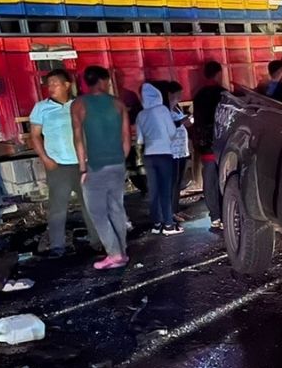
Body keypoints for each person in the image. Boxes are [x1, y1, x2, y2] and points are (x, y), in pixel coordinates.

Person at [28, 69, 101, 257]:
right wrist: (45, 158)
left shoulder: (80, 104)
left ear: (67, 85)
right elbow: (35, 136)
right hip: (57, 165)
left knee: (90, 205)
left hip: (82, 164)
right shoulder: (41, 108)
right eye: (48, 84)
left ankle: (98, 242)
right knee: (58, 208)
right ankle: (57, 246)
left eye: (55, 83)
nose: (50, 87)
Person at [72, 65, 133, 269]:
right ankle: (121, 251)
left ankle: (114, 254)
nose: (108, 85)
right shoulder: (118, 104)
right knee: (116, 207)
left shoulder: (79, 104)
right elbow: (126, 138)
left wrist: (83, 168)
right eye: (107, 81)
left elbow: (78, 138)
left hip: (95, 166)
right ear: (101, 81)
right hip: (117, 163)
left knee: (97, 212)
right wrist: (120, 159)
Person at [136, 81, 183, 236]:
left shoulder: (141, 115)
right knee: (165, 190)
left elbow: (139, 140)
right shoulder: (162, 110)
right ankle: (169, 225)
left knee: (154, 191)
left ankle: (156, 224)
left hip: (148, 156)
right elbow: (171, 131)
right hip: (164, 154)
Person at [192, 61, 225, 229]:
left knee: (209, 181)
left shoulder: (199, 95)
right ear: (219, 74)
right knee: (223, 181)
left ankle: (215, 217)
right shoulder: (223, 94)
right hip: (221, 145)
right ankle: (225, 215)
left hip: (205, 146)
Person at [167, 82, 192, 223]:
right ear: (171, 93)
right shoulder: (165, 109)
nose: (180, 96)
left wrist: (187, 120)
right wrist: (183, 120)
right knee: (173, 182)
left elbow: (184, 123)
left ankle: (176, 209)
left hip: (181, 150)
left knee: (178, 182)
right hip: (173, 151)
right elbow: (171, 125)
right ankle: (171, 211)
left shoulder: (176, 107)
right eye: (178, 93)